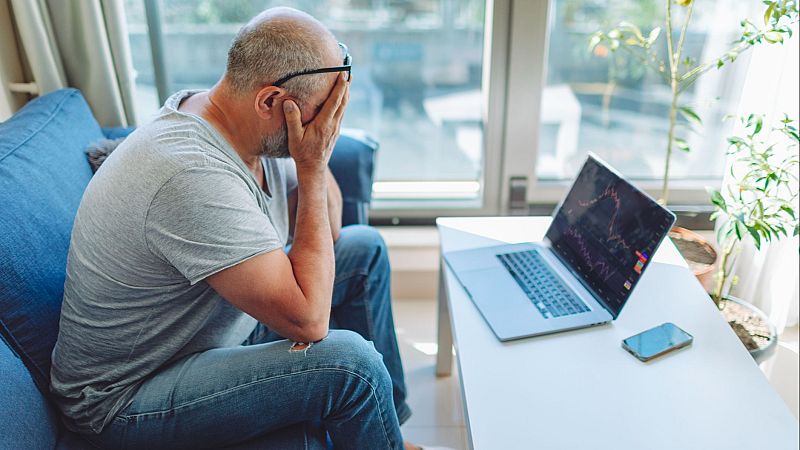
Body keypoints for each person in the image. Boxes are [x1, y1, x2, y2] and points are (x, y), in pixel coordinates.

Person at [50, 7, 445, 450]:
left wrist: (316, 154)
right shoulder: (189, 174)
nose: (324, 127)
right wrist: (311, 164)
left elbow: (329, 230)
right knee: (352, 366)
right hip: (125, 399)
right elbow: (310, 321)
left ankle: (387, 431)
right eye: (318, 114)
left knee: (364, 250)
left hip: (209, 332)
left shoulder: (236, 120)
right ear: (271, 102)